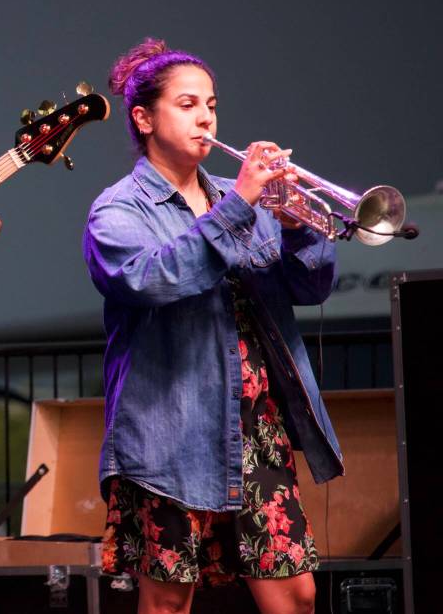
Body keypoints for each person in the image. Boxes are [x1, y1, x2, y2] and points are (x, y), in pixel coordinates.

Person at [82, 38, 343, 614]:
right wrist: (241, 205)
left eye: (212, 104)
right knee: (169, 602)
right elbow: (154, 279)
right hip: (168, 433)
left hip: (257, 426)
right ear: (144, 118)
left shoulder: (236, 197)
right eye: (187, 103)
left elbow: (310, 288)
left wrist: (297, 222)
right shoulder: (119, 210)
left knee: (295, 596)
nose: (206, 117)